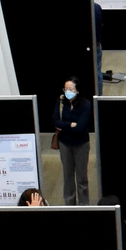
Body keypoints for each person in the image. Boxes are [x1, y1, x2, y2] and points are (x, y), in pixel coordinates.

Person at [53, 76, 91, 205]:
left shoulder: (85, 104)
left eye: (71, 89)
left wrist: (64, 125)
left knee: (82, 177)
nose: (67, 91)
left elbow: (80, 127)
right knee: (67, 176)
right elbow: (55, 121)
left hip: (81, 144)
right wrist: (69, 125)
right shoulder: (61, 100)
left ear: (77, 90)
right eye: (65, 89)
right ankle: (69, 204)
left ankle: (84, 205)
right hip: (65, 144)